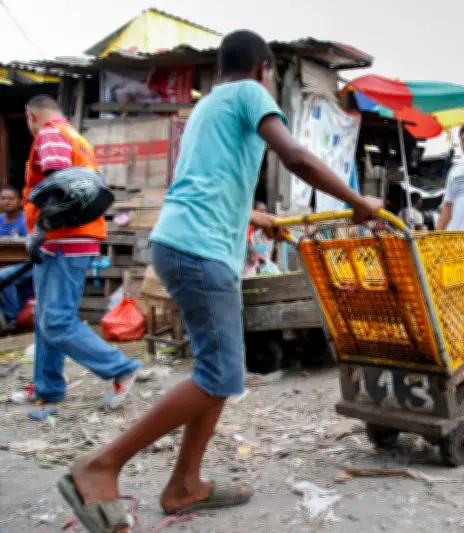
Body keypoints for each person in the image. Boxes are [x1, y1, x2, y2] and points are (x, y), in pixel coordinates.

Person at [60, 30, 381, 533]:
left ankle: (185, 483)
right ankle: (101, 465)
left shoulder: (207, 108)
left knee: (218, 372)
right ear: (263, 69)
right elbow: (295, 157)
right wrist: (357, 202)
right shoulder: (251, 94)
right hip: (200, 250)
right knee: (221, 375)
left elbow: (205, 181)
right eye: (271, 74)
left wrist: (257, 216)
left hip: (183, 242)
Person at [12, 95, 140, 406]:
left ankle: (121, 368)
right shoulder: (75, 136)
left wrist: (40, 228)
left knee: (56, 319)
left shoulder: (50, 135)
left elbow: (61, 185)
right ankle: (48, 387)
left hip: (64, 238)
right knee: (45, 316)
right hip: (67, 238)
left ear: (31, 118)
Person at [0, 186, 33, 327]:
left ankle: (14, 318)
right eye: (3, 198)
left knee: (2, 276)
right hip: (5, 262)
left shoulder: (26, 220)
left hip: (28, 264)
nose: (7, 201)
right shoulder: (0, 220)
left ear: (20, 202)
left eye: (11, 198)